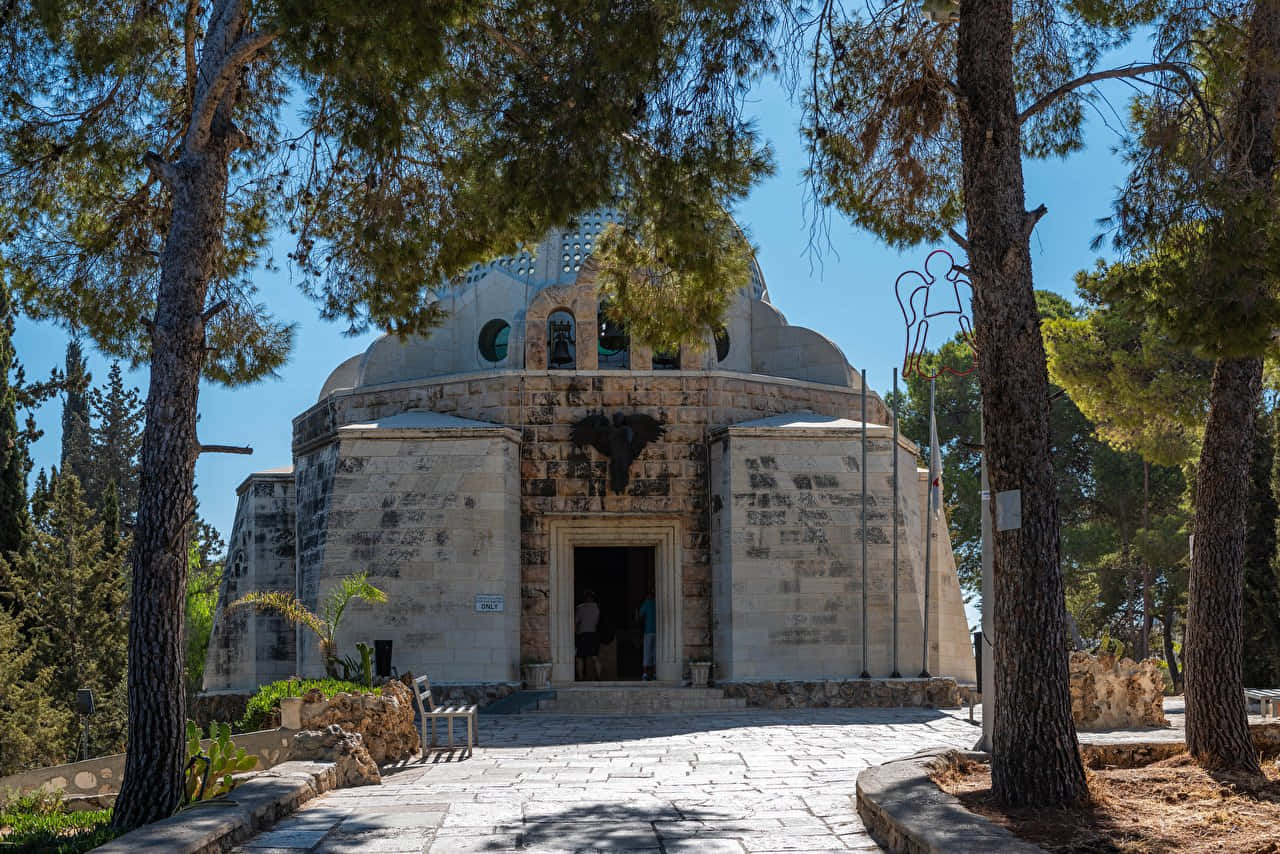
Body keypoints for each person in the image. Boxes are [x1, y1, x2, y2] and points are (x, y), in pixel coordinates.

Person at [575, 589, 601, 681]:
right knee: (595, 657)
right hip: (593, 634)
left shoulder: (580, 608)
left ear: (585, 598)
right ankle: (598, 677)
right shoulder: (597, 607)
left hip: (583, 634)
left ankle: (581, 678)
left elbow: (575, 622)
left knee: (579, 658)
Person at [636, 589, 656, 681]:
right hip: (658, 632)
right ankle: (655, 673)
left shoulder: (647, 603)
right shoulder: (657, 602)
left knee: (647, 652)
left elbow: (640, 616)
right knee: (656, 653)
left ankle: (644, 674)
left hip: (648, 632)